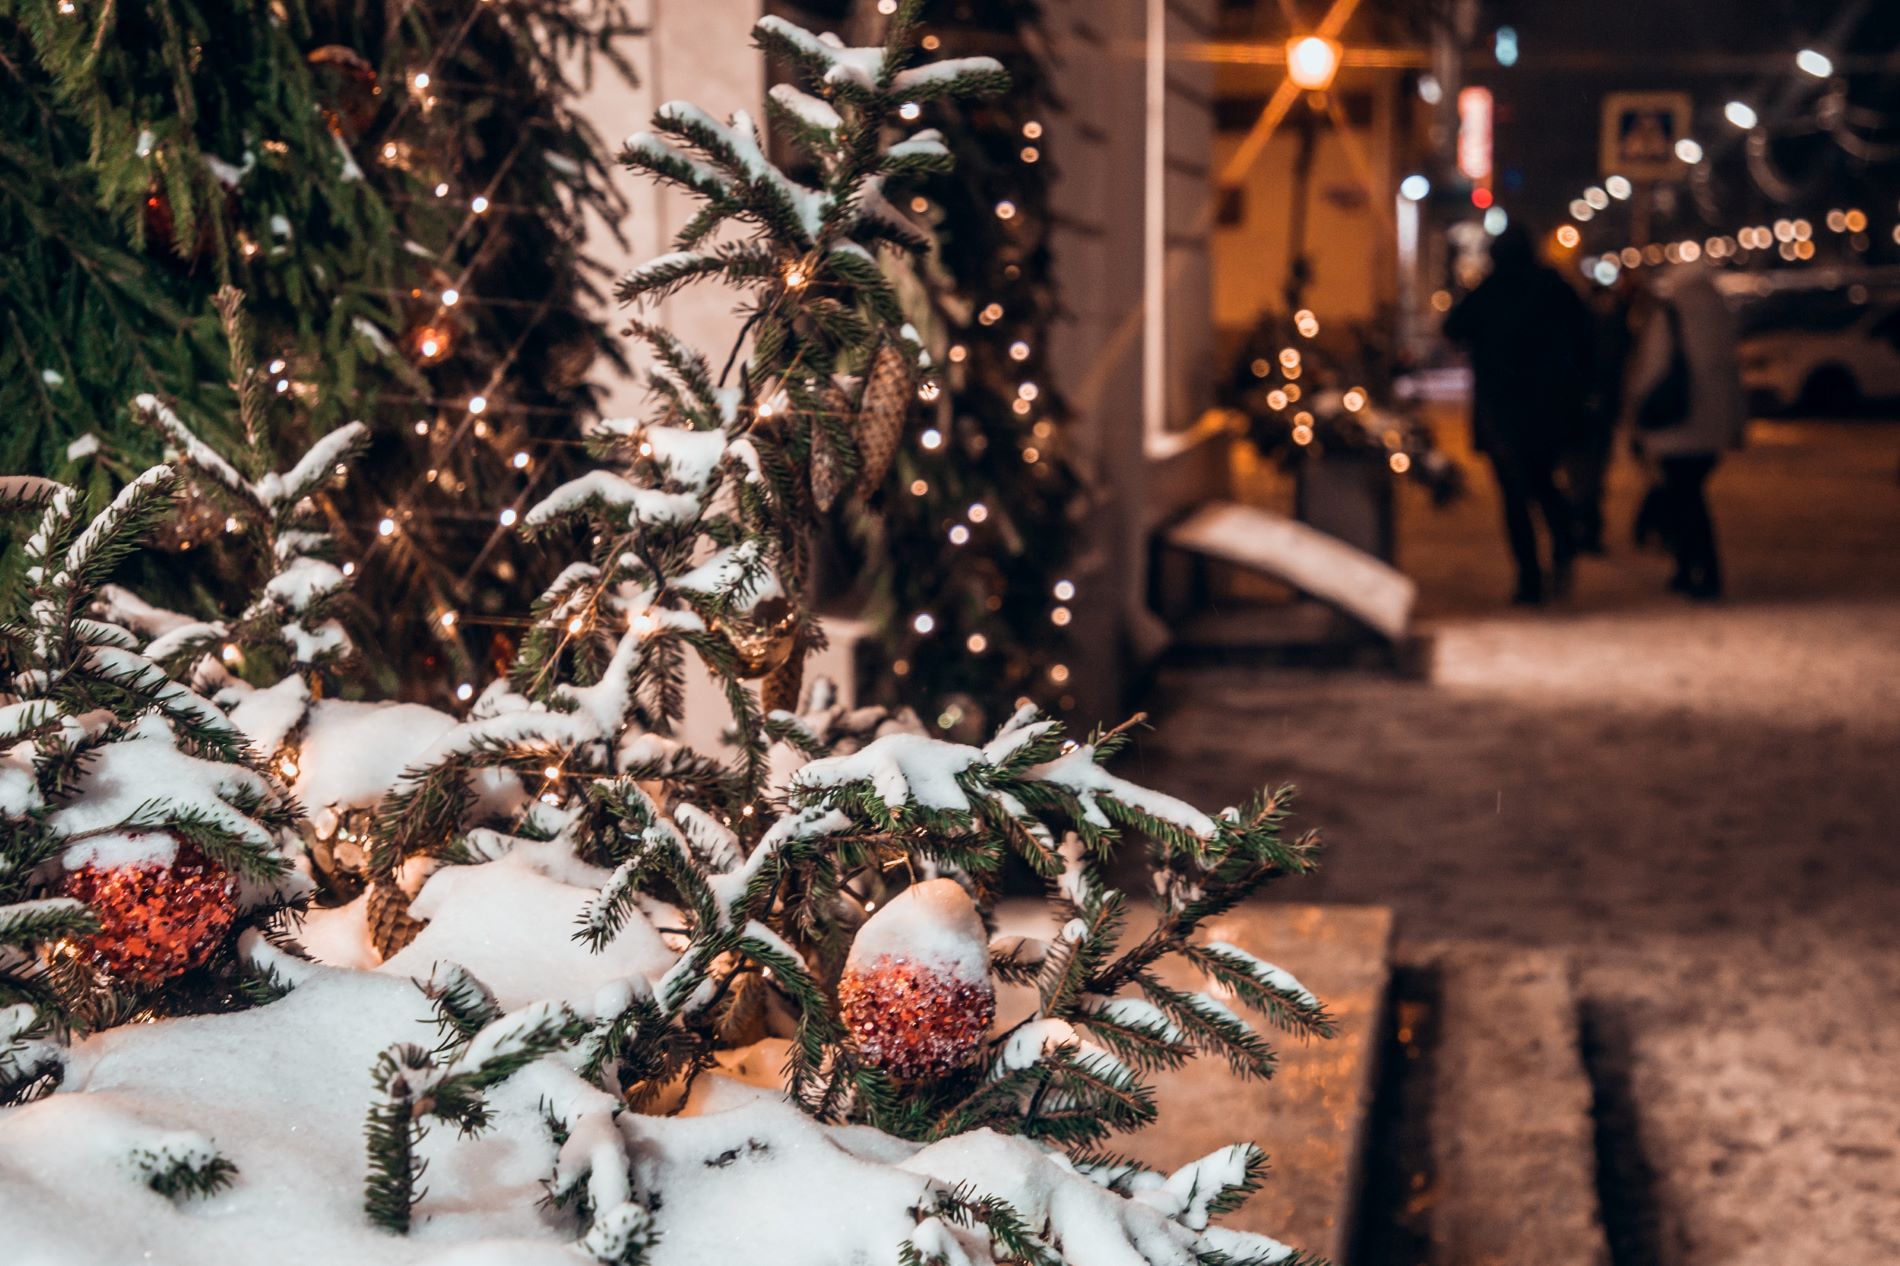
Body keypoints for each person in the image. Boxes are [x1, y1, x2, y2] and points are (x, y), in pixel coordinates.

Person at [1444, 223, 1596, 604]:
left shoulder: (1490, 292)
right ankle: (1563, 542)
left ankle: (1530, 578)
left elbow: (1453, 328)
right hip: (1549, 408)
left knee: (1514, 497)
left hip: (1502, 412)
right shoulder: (1553, 287)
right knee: (1544, 483)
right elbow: (1586, 337)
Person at [1621, 262, 1745, 599]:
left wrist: (1636, 413)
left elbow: (1652, 368)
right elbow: (1732, 376)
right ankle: (1691, 567)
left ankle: (1701, 570)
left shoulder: (1669, 316)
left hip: (1675, 423)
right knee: (1688, 496)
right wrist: (1736, 424)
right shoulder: (1721, 319)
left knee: (1685, 499)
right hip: (1711, 426)